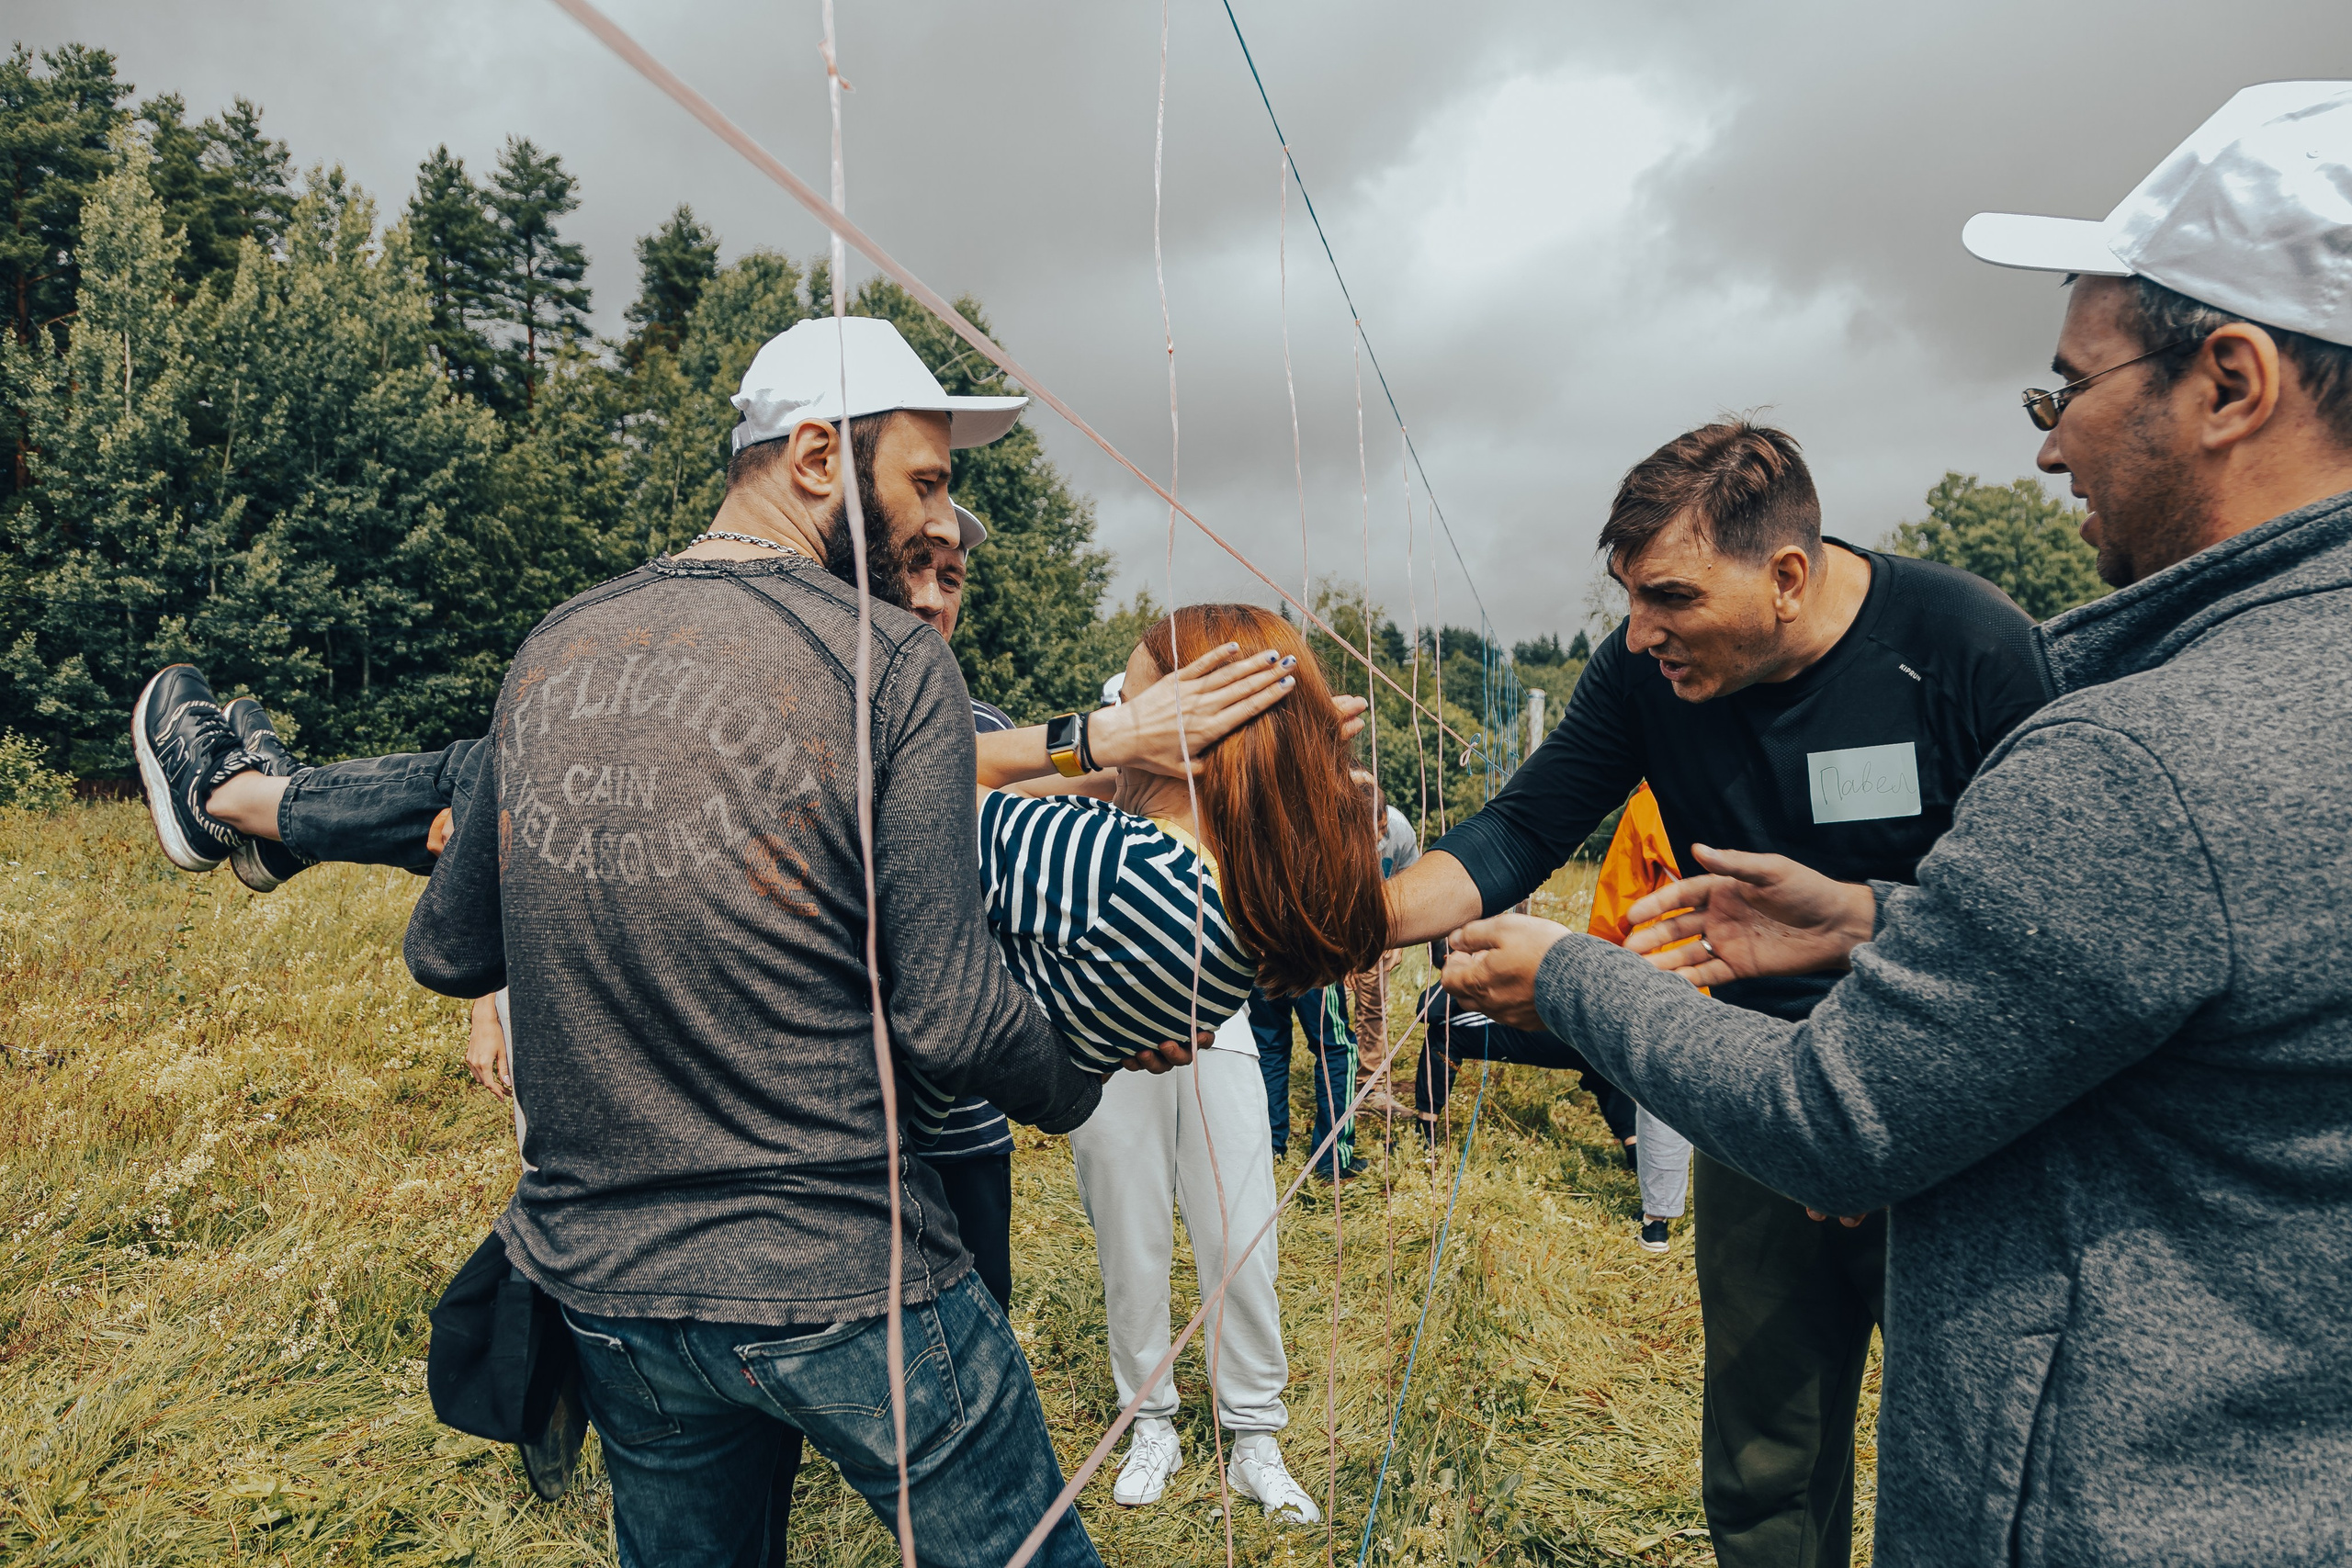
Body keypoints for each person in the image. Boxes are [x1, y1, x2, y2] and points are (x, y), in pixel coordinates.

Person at [1442, 83, 2352, 1567]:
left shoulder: (2133, 753)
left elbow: (1836, 1114)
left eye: (2070, 390)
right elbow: (2166, 972)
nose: (2051, 449)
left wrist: (1566, 973)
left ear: (2233, 383)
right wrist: (1878, 919)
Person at [1380, 416, 2050, 1566]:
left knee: (1975, 1455)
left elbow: (2043, 922)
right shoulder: (1643, 674)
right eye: (1628, 598)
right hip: (1753, 1090)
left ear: (1785, 577)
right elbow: (1523, 826)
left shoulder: (1965, 645)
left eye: (1673, 599)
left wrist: (1862, 934)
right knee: (1762, 1460)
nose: (1640, 633)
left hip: (1961, 1109)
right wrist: (1361, 921)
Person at [968, 602, 1386, 1523]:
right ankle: (1148, 1415)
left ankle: (1254, 1431)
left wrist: (1287, 755)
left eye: (1141, 691)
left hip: (1203, 1016)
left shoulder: (1157, 842)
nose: (1131, 705)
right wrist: (1119, 749)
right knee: (1130, 1228)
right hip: (1136, 1002)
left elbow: (929, 800)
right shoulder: (1131, 813)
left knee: (1243, 1225)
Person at [1582, 784, 1697, 1253]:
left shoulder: (1655, 798)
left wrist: (1603, 959)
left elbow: (1619, 897)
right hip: (1766, 950)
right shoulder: (1773, 768)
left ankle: (1659, 1220)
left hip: (1674, 958)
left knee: (1664, 1094)